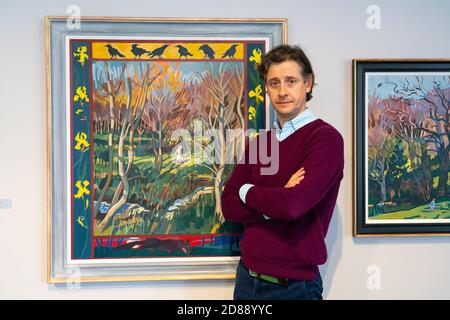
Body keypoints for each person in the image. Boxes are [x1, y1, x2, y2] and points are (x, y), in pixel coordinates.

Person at [221, 44, 344, 300]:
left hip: (293, 287)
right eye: (274, 83)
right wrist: (274, 199)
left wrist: (248, 191)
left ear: (307, 84)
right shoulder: (261, 143)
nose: (282, 91)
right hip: (247, 280)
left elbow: (293, 206)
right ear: (266, 88)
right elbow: (229, 204)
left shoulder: (325, 139)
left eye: (291, 81)